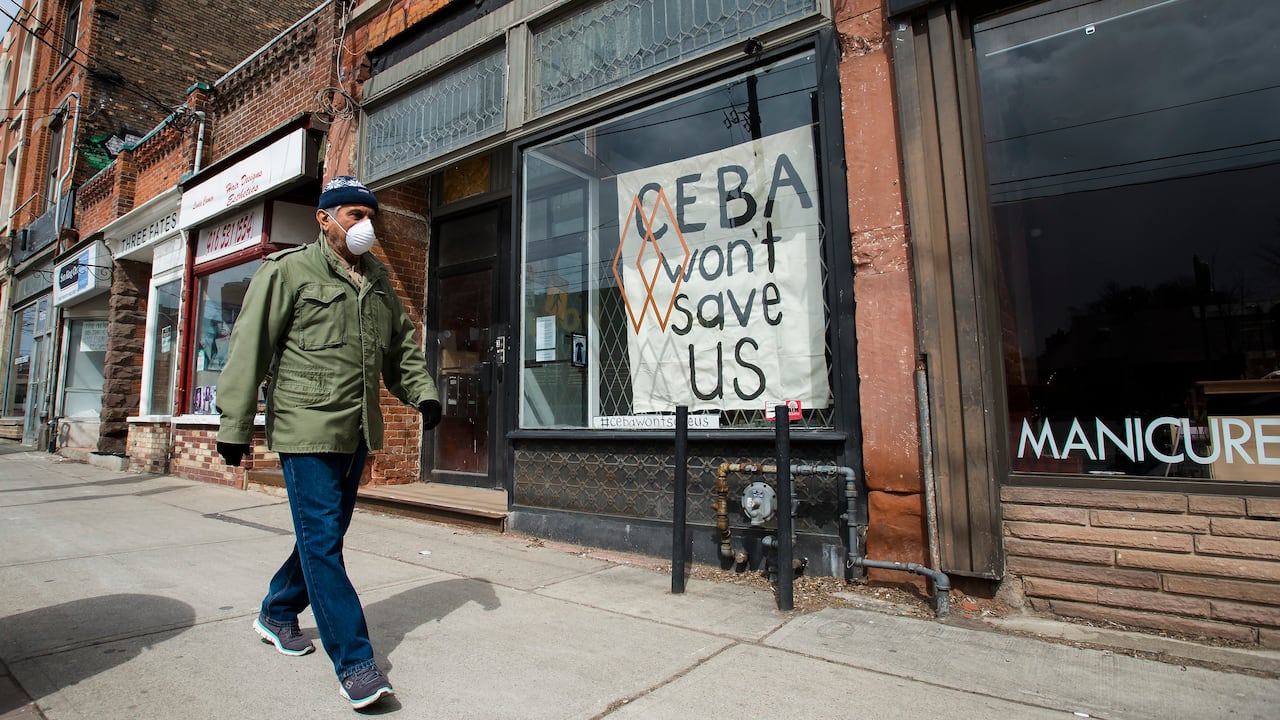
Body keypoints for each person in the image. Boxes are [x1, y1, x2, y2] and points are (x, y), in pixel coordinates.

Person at [215, 176, 442, 710]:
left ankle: (276, 610)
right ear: (324, 217)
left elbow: (401, 349)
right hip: (304, 427)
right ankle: (356, 663)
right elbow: (250, 348)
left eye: (369, 215)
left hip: (356, 428)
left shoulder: (379, 279)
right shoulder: (288, 271)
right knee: (323, 541)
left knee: (325, 534)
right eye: (351, 214)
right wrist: (234, 425)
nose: (363, 224)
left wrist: (423, 395)